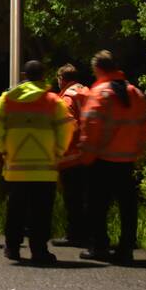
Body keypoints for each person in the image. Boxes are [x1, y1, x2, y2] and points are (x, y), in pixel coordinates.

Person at [0, 60, 74, 265]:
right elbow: (67, 127)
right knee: (41, 212)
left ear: (24, 76)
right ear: (44, 76)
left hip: (16, 168)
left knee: (15, 210)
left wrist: (5, 149)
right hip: (44, 169)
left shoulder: (8, 99)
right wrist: (59, 150)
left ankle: (12, 247)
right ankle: (39, 250)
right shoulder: (53, 101)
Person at [78, 50, 146, 264]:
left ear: (97, 69)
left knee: (97, 206)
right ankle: (126, 247)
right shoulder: (135, 93)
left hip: (102, 160)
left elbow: (90, 127)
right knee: (127, 206)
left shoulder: (100, 93)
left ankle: (99, 246)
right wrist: (137, 151)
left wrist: (86, 156)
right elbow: (144, 126)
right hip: (127, 160)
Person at [52, 64, 91, 247]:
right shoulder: (87, 92)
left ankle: (75, 235)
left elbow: (69, 126)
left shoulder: (67, 97)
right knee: (85, 198)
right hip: (89, 154)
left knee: (73, 199)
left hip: (72, 156)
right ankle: (88, 233)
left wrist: (59, 148)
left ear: (61, 79)